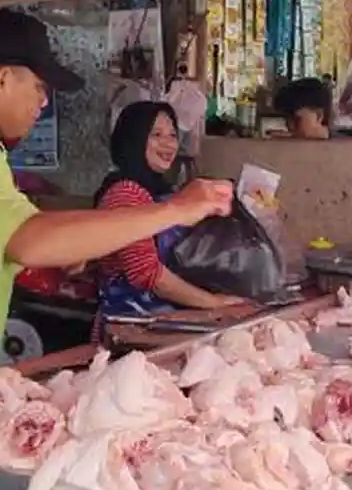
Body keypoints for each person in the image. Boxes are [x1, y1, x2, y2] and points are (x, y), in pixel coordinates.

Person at [0, 9, 233, 388]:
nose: (44, 103)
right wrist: (175, 209)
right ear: (3, 80)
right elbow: (27, 240)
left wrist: (60, 254)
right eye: (38, 87)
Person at [91, 101, 245, 337]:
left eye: (172, 135)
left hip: (161, 321)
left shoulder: (161, 191)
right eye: (156, 135)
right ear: (133, 139)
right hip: (130, 328)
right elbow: (146, 274)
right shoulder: (125, 193)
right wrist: (213, 302)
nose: (169, 143)